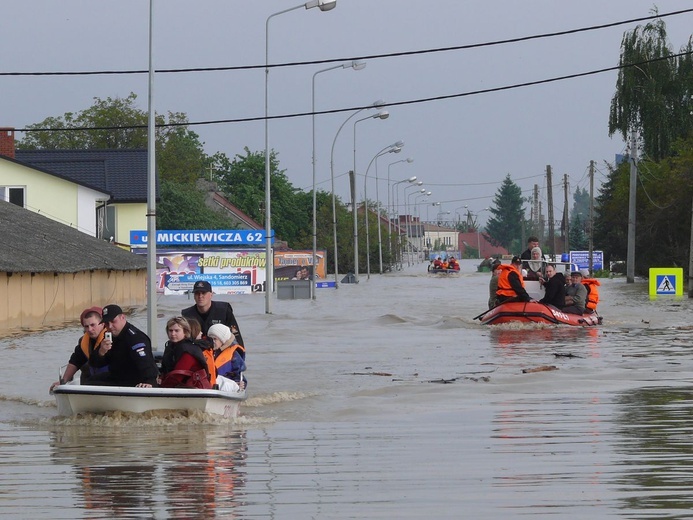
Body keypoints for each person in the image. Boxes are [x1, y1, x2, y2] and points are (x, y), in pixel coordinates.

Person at [87, 304, 159, 387]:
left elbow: (145, 363)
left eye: (113, 321)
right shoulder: (109, 336)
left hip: (134, 380)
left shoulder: (135, 337)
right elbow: (94, 363)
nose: (110, 326)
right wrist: (101, 352)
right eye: (106, 323)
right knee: (90, 382)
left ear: (123, 318)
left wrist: (149, 381)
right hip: (117, 377)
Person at [49, 306, 107, 392]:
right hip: (89, 381)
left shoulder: (113, 338)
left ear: (102, 324)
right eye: (86, 326)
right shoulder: (83, 341)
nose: (90, 329)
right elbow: (75, 361)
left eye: (92, 325)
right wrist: (63, 382)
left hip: (109, 382)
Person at [182, 280, 244, 346]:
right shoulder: (187, 315)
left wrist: (240, 352)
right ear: (194, 296)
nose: (200, 296)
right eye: (197, 293)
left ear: (211, 295)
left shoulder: (224, 310)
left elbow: (235, 334)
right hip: (198, 351)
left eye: (203, 293)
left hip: (221, 351)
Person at [159, 316, 216, 389]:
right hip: (179, 387)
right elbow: (165, 370)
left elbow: (177, 376)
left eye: (177, 331)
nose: (173, 334)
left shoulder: (188, 350)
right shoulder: (170, 348)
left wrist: (160, 387)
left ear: (185, 332)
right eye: (170, 330)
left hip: (195, 389)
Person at [207, 323, 246, 392]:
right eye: (210, 339)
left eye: (215, 339)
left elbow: (239, 375)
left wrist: (239, 384)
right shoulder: (206, 353)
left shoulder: (234, 355)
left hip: (227, 388)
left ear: (223, 340)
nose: (212, 342)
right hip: (211, 386)